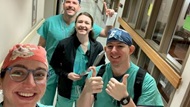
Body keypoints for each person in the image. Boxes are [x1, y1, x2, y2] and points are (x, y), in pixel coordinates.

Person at [37, 0, 115, 105]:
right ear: (63, 4)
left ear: (79, 7)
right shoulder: (50, 23)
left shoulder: (84, 23)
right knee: (46, 102)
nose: (71, 5)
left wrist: (111, 18)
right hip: (52, 69)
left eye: (74, 3)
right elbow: (40, 46)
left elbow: (106, 33)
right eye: (68, 2)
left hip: (76, 76)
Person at [77, 28, 164, 107]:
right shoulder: (96, 75)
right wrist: (87, 90)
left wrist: (124, 99)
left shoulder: (146, 82)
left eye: (120, 46)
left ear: (131, 50)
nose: (114, 51)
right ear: (105, 49)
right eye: (110, 46)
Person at [50, 12, 105, 107]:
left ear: (91, 27)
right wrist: (67, 75)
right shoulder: (64, 44)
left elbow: (103, 68)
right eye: (80, 22)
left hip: (85, 90)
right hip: (66, 90)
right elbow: (54, 65)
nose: (83, 25)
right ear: (75, 25)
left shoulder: (97, 47)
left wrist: (95, 71)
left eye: (87, 23)